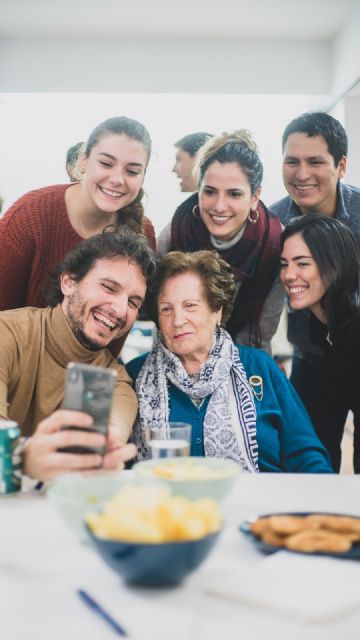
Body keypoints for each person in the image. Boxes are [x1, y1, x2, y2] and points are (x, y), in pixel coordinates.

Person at [126, 251, 332, 473]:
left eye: (190, 306)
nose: (178, 320)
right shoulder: (136, 374)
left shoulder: (260, 367)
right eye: (166, 309)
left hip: (259, 505)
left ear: (217, 310)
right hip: (167, 506)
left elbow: (306, 454)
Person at [0, 229, 157, 483]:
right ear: (69, 282)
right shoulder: (7, 335)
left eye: (133, 302)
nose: (119, 309)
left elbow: (100, 449)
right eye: (108, 287)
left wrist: (104, 452)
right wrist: (22, 459)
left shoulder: (116, 382)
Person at [271, 111, 360, 468]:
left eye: (315, 162)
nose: (302, 174)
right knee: (309, 455)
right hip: (311, 354)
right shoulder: (272, 221)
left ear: (340, 165)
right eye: (292, 161)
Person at [0, 116, 156, 312]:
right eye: (106, 164)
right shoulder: (28, 217)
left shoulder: (144, 233)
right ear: (83, 162)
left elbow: (122, 321)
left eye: (132, 171)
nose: (117, 179)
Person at [157, 130, 285, 353]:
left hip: (244, 357)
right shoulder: (174, 235)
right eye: (210, 192)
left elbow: (260, 334)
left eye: (234, 194)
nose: (219, 206)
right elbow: (163, 323)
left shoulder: (274, 245)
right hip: (176, 356)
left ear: (254, 197)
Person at [280, 214, 360, 472]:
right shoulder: (320, 323)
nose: (289, 275)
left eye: (302, 264)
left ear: (334, 264)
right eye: (284, 264)